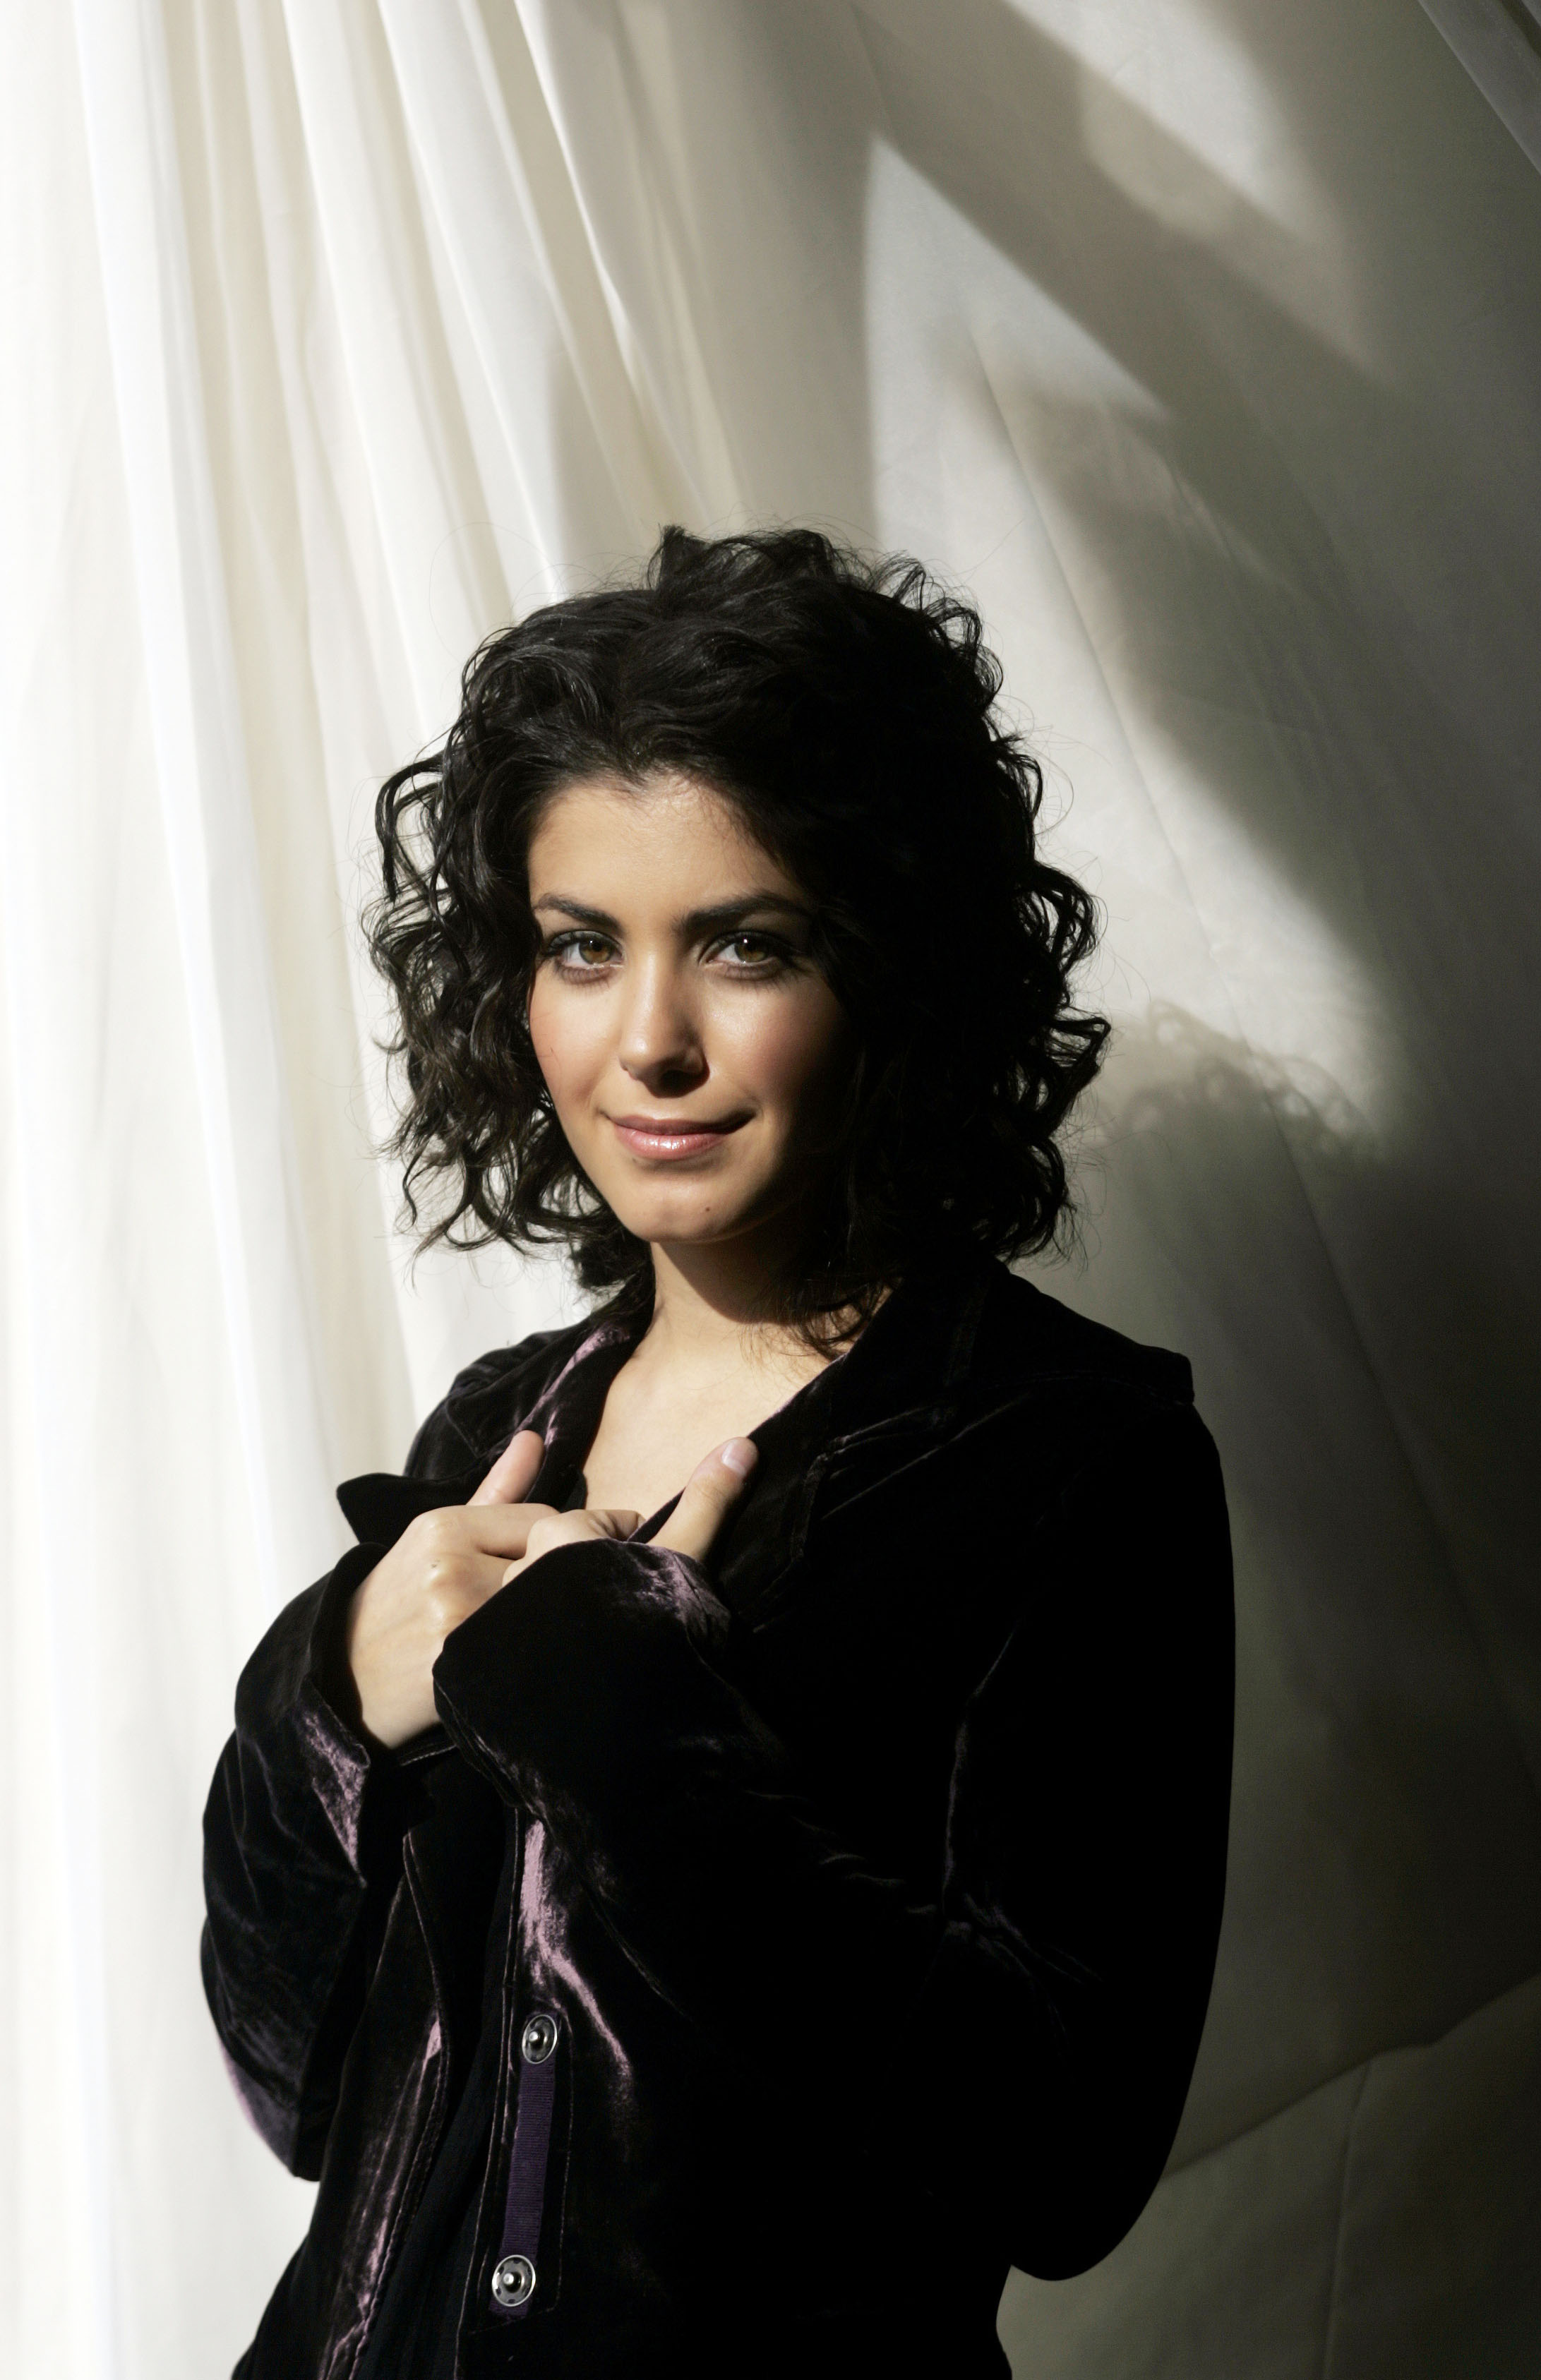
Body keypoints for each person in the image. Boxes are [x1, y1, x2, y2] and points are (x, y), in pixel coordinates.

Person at [200, 526, 1235, 2380]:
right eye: (581, 947)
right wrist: (329, 1697)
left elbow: (1065, 2158)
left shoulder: (1069, 1456)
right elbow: (299, 2087)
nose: (650, 1043)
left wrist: (632, 1738)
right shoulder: (496, 1430)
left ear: (893, 969)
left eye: (747, 944)